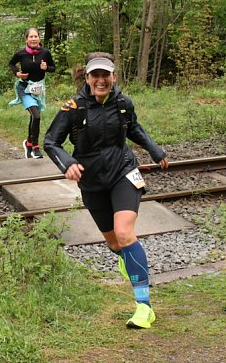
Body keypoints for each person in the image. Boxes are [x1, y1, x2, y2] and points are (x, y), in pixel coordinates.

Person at [44, 52, 170, 329]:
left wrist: (155, 150)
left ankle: (144, 307)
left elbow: (133, 128)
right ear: (87, 78)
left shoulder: (123, 103)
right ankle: (128, 257)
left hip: (123, 171)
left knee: (125, 234)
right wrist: (68, 163)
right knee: (115, 243)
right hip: (91, 180)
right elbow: (51, 142)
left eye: (106, 75)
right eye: (95, 75)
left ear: (114, 77)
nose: (101, 80)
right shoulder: (73, 108)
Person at [8, 27, 56, 159]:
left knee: (34, 117)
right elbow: (11, 64)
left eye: (36, 37)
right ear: (26, 39)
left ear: (39, 38)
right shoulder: (21, 54)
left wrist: (47, 68)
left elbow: (53, 68)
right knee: (37, 116)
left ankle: (28, 143)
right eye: (31, 37)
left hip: (39, 90)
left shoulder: (45, 53)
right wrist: (17, 73)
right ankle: (35, 147)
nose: (34, 39)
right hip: (24, 88)